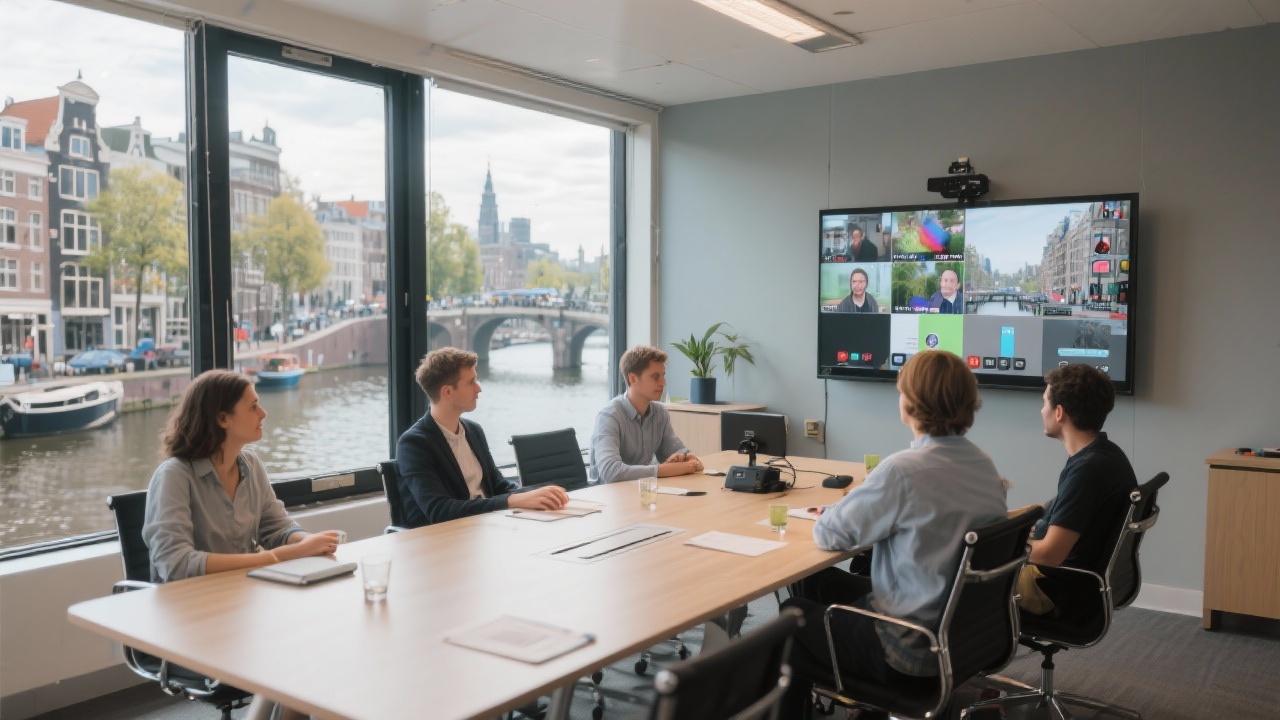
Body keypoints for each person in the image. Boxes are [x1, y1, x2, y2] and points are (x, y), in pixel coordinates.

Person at [779, 351, 1007, 720]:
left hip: (907, 650)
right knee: (817, 582)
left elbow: (829, 534)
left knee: (794, 614)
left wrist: (857, 499)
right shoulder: (983, 463)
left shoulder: (902, 470)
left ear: (913, 402)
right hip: (959, 639)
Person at [143, 370, 340, 720]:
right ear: (222, 418)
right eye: (253, 406)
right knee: (308, 653)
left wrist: (308, 542)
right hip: (193, 618)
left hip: (245, 607)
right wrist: (278, 556)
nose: (263, 413)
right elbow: (176, 564)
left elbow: (277, 527)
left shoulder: (251, 466)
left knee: (320, 647)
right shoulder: (175, 475)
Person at [396, 347, 568, 527]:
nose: (479, 389)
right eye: (471, 382)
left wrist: (535, 494)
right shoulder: (414, 444)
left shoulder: (473, 430)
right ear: (447, 392)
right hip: (443, 539)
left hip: (485, 527)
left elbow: (497, 485)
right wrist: (512, 501)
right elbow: (439, 510)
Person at [1017, 363, 1137, 616]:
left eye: (1044, 403)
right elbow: (1049, 509)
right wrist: (998, 519)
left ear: (1059, 412)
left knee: (957, 572)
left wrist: (1004, 547)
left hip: (1053, 588)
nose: (1041, 411)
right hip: (1073, 581)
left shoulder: (1087, 471)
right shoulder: (1106, 454)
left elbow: (1050, 554)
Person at [590, 345, 702, 484]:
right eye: (655, 377)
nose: (663, 383)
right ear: (632, 379)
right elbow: (611, 472)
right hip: (607, 497)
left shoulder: (660, 413)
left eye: (663, 375)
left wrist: (689, 458)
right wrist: (664, 470)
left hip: (641, 491)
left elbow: (676, 450)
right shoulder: (609, 416)